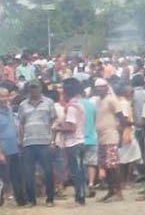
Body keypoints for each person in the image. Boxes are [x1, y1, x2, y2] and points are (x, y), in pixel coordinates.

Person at [18, 81, 57, 206]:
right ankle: (31, 200)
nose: (34, 91)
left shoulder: (49, 102)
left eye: (36, 88)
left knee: (48, 171)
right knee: (28, 173)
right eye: (31, 89)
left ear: (41, 89)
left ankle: (50, 199)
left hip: (44, 141)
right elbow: (21, 124)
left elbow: (53, 123)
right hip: (28, 143)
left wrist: (53, 140)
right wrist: (21, 141)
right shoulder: (23, 105)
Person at [55, 78, 87, 206]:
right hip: (81, 140)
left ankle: (79, 196)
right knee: (79, 170)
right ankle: (81, 194)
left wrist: (58, 127)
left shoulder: (71, 108)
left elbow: (71, 127)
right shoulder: (80, 105)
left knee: (75, 171)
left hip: (73, 142)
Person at [93, 79, 127, 202]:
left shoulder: (112, 100)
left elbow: (121, 118)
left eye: (102, 87)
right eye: (97, 88)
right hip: (101, 137)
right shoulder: (97, 101)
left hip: (111, 136)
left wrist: (121, 133)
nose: (99, 89)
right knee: (106, 166)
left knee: (113, 166)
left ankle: (118, 192)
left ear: (107, 88)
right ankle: (111, 190)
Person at [0, 88, 23, 207]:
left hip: (13, 148)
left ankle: (21, 200)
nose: (5, 99)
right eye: (1, 96)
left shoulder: (9, 109)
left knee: (16, 176)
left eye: (6, 96)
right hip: (2, 149)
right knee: (2, 178)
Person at [116, 84, 142, 189]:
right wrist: (136, 124)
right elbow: (124, 120)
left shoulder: (122, 103)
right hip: (126, 133)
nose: (132, 94)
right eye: (131, 92)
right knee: (129, 158)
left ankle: (125, 181)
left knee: (127, 158)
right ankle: (126, 181)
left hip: (125, 132)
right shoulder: (124, 104)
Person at [80, 81, 99, 197]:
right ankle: (91, 183)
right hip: (92, 137)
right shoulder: (91, 105)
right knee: (91, 163)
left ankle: (82, 185)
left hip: (78, 139)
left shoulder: (74, 105)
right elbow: (95, 120)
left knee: (80, 164)